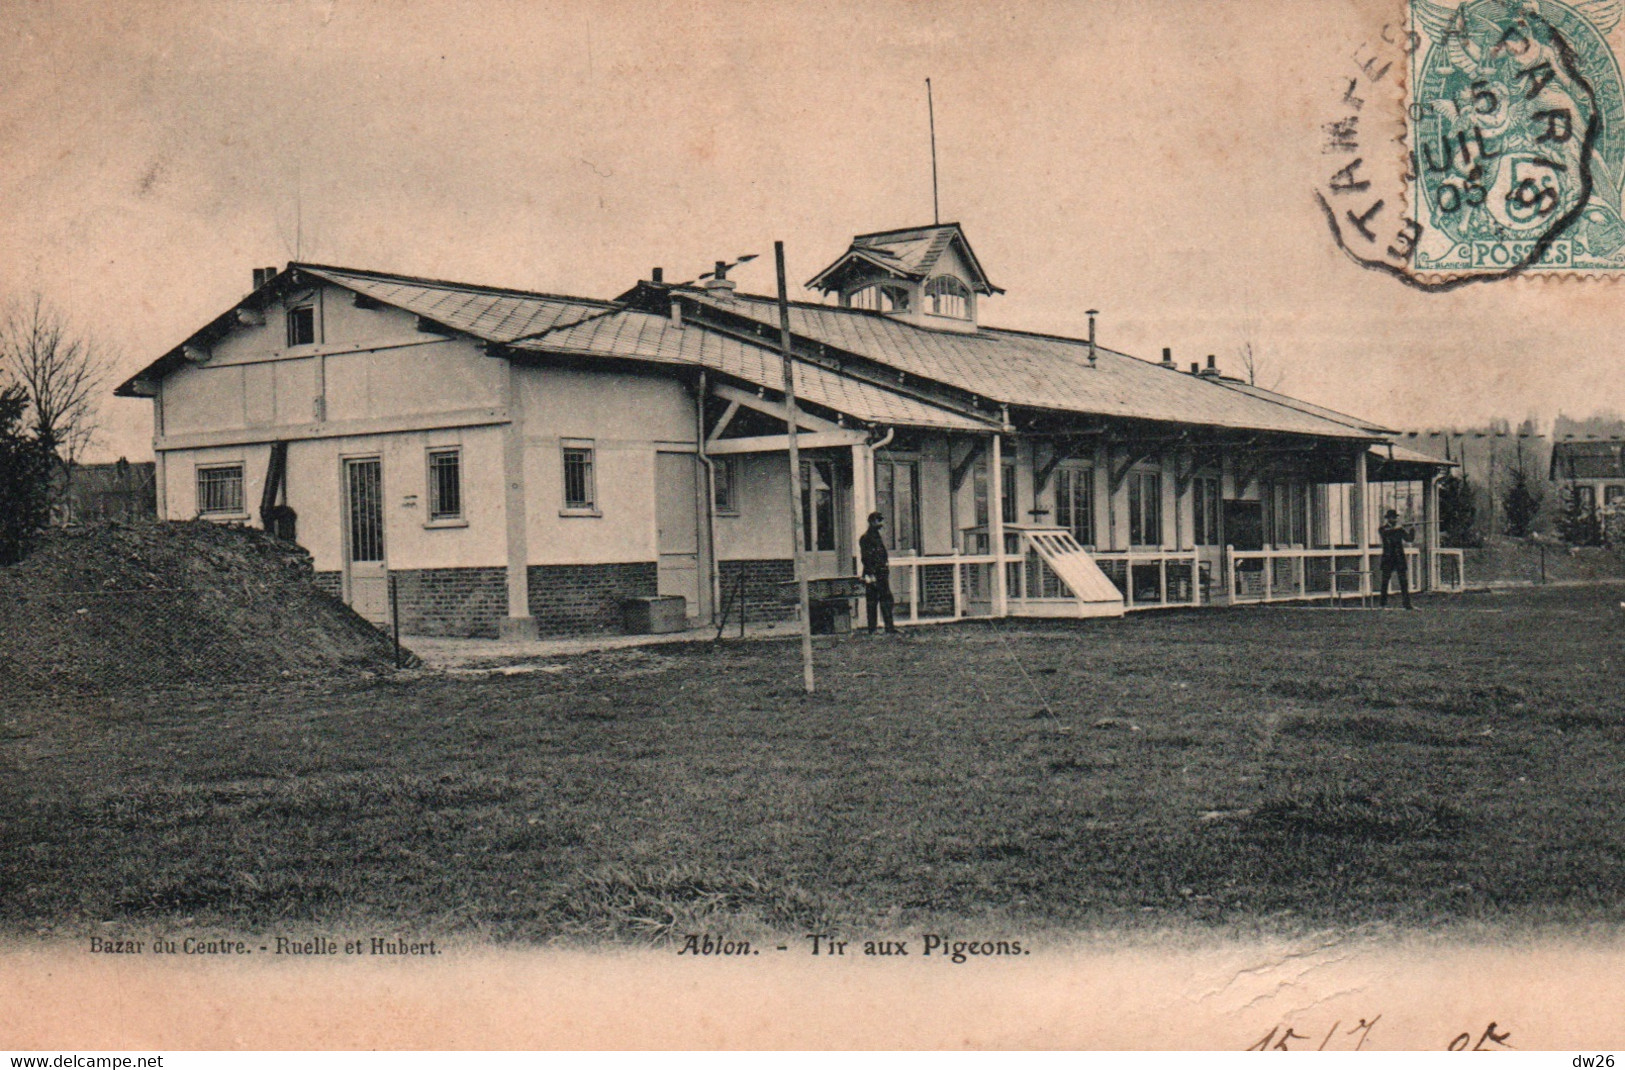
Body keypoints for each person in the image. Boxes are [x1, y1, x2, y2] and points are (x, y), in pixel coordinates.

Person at [858, 511, 899, 634]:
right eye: (878, 520)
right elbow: (866, 557)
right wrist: (870, 574)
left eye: (881, 520)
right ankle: (872, 628)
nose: (881, 523)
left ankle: (889, 627)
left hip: (881, 573)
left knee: (886, 599)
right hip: (873, 574)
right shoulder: (866, 538)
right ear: (871, 522)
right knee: (872, 601)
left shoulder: (877, 536)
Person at [1378, 508, 1415, 609]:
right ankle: (1382, 604)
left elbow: (1409, 539)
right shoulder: (1383, 529)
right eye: (1392, 518)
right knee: (1385, 581)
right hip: (1388, 558)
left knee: (1403, 582)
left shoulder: (1399, 529)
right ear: (1388, 519)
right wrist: (1399, 528)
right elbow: (1387, 535)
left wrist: (1412, 529)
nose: (1394, 519)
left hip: (1399, 558)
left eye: (1394, 517)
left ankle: (1407, 604)